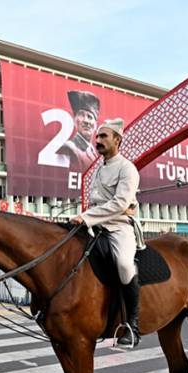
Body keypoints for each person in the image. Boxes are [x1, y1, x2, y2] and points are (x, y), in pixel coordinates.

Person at [71, 118, 141, 348]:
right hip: (97, 225)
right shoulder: (98, 170)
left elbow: (120, 204)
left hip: (119, 226)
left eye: (103, 137)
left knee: (123, 264)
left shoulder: (127, 168)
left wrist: (87, 217)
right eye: (97, 137)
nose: (97, 140)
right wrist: (83, 217)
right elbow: (96, 203)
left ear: (117, 140)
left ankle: (132, 324)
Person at [58, 90, 100, 175]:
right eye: (81, 114)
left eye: (90, 117)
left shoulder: (94, 152)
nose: (86, 121)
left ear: (95, 125)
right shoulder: (69, 148)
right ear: (75, 120)